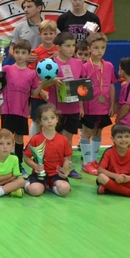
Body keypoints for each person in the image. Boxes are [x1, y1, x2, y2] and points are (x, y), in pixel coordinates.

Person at [0, 39, 52, 167]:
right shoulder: (6, 69)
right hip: (8, 111)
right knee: (5, 138)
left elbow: (34, 94)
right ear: (14, 53)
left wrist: (42, 85)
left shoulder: (32, 74)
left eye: (23, 53)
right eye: (18, 52)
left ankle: (18, 164)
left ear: (29, 55)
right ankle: (2, 163)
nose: (20, 55)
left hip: (22, 112)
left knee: (19, 138)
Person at [79, 33, 117, 175]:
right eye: (96, 48)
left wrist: (112, 105)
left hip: (104, 107)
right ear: (89, 49)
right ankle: (86, 162)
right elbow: (81, 88)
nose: (99, 51)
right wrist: (81, 106)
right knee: (86, 132)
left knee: (98, 132)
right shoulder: (85, 66)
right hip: (89, 107)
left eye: (103, 48)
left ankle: (94, 160)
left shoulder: (109, 66)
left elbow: (112, 86)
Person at [49, 32, 84, 179]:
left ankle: (67, 167)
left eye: (73, 46)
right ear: (58, 47)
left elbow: (81, 86)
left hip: (73, 108)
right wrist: (53, 80)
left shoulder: (78, 63)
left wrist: (81, 106)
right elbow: (42, 83)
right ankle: (52, 167)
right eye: (67, 46)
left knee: (67, 138)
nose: (71, 49)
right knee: (54, 138)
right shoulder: (51, 63)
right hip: (56, 109)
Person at [23, 105, 73, 197]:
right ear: (40, 121)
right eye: (45, 119)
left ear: (57, 119)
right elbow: (26, 157)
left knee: (65, 189)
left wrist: (66, 170)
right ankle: (25, 184)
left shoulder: (63, 139)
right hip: (39, 174)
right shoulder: (36, 139)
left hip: (57, 174)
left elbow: (68, 158)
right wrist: (35, 166)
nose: (49, 121)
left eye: (52, 118)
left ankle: (50, 186)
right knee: (35, 191)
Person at [96, 124, 130, 200]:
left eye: (126, 136)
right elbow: (100, 170)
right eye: (119, 137)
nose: (123, 140)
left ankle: (108, 190)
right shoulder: (109, 152)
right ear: (113, 139)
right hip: (112, 179)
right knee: (101, 177)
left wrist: (129, 178)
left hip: (126, 180)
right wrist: (115, 176)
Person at [27, 19, 60, 137]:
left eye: (51, 33)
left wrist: (60, 54)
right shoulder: (35, 53)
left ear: (55, 34)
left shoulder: (60, 51)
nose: (48, 36)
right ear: (39, 34)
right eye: (45, 33)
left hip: (56, 93)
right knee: (37, 121)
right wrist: (42, 92)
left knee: (54, 121)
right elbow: (32, 77)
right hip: (39, 94)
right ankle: (33, 147)